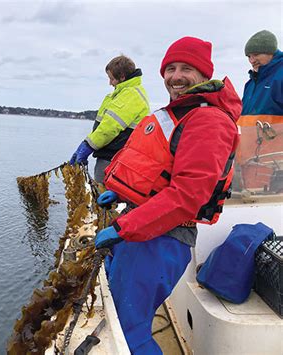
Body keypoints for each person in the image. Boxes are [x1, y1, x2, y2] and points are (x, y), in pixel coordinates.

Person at [94, 37, 241, 354]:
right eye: (170, 68)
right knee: (120, 321)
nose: (175, 76)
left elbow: (187, 196)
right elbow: (156, 168)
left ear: (204, 74)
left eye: (186, 68)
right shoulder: (182, 112)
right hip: (144, 230)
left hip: (161, 238)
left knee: (127, 331)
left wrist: (123, 228)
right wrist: (118, 194)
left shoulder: (208, 120)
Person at [69, 55, 150, 182]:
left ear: (122, 77)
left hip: (115, 158)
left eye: (112, 78)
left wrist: (88, 146)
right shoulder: (121, 94)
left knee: (103, 194)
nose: (110, 83)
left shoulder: (131, 95)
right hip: (110, 156)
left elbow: (110, 127)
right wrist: (87, 142)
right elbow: (103, 126)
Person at [236, 30, 283, 192]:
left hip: (277, 161)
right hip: (253, 158)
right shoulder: (251, 83)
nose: (251, 60)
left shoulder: (281, 76)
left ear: (270, 52)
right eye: (248, 56)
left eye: (255, 55)